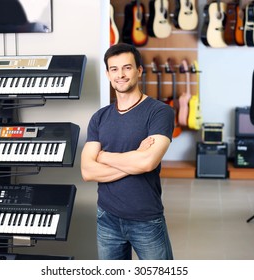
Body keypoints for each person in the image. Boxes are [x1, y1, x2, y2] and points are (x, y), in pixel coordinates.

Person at [81, 43, 174, 260]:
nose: (120, 75)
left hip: (146, 219)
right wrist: (134, 158)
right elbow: (87, 171)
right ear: (107, 74)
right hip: (107, 217)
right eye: (114, 69)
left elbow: (147, 163)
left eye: (127, 68)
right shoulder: (100, 117)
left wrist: (103, 157)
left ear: (139, 70)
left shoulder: (159, 112)